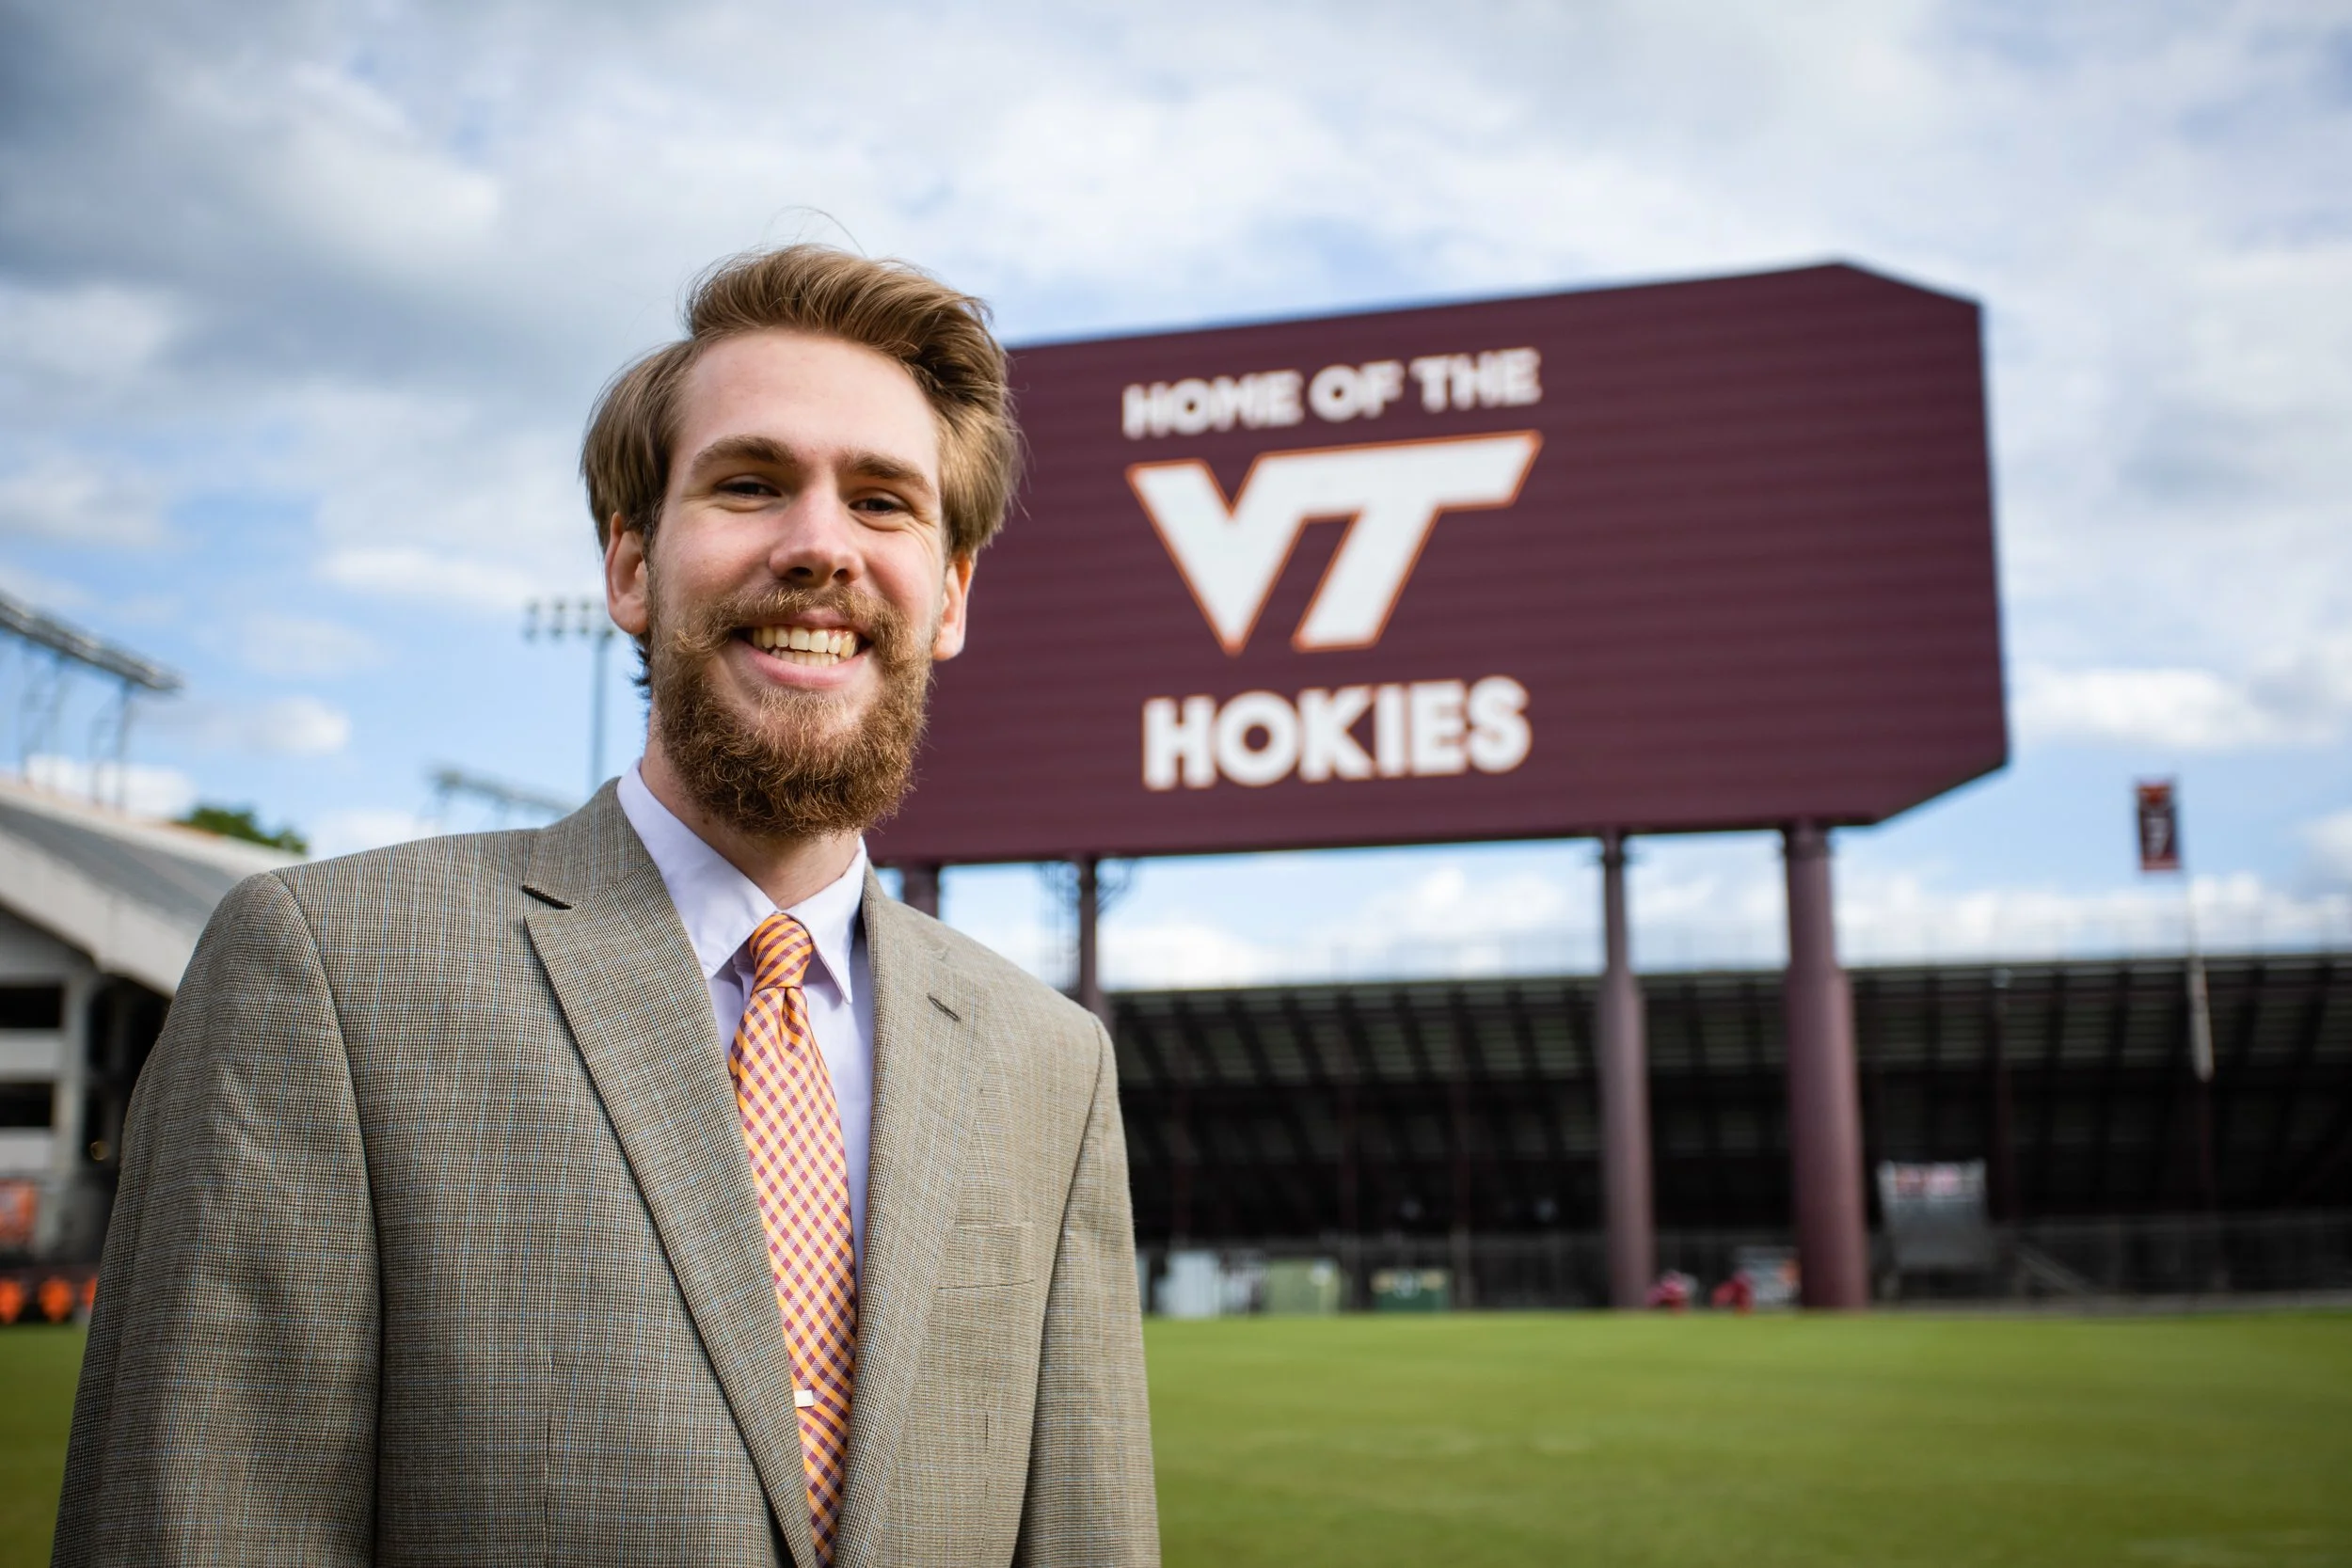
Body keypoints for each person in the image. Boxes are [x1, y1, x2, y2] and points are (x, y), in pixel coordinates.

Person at [54, 245, 1158, 1567]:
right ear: (631, 565)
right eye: (751, 484)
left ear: (954, 593)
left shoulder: (1050, 1062)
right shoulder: (329, 978)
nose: (820, 544)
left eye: (882, 501)